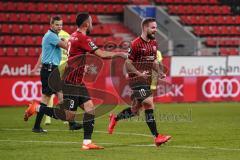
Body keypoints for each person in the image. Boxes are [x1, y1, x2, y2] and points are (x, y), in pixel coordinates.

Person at [24, 12, 125, 150]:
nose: (91, 24)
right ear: (86, 24)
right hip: (71, 82)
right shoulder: (82, 38)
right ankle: (36, 108)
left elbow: (74, 55)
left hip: (77, 80)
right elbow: (101, 54)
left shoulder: (73, 36)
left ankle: (87, 143)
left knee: (89, 108)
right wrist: (120, 54)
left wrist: (83, 66)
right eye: (90, 21)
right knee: (67, 116)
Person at [108, 18, 171, 147]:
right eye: (153, 27)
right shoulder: (135, 43)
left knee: (136, 110)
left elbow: (153, 62)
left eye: (156, 27)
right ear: (145, 28)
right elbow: (128, 63)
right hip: (136, 80)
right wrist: (138, 73)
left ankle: (115, 118)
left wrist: (160, 72)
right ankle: (157, 137)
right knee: (149, 103)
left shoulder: (153, 43)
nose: (155, 30)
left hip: (145, 80)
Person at [31, 29, 83, 131]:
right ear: (52, 25)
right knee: (54, 96)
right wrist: (67, 42)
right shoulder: (52, 36)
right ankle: (37, 111)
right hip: (51, 70)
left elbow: (44, 53)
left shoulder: (53, 36)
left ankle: (38, 125)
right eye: (57, 24)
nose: (59, 27)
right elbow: (67, 47)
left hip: (54, 70)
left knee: (55, 96)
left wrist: (36, 67)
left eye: (60, 25)